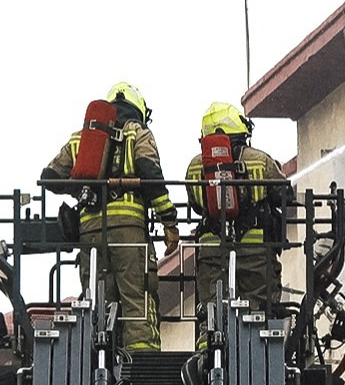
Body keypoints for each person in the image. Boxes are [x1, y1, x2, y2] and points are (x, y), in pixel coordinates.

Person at [43, 82, 177, 350]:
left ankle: (98, 357)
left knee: (97, 303)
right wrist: (169, 222)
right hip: (128, 230)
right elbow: (151, 177)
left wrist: (84, 190)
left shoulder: (82, 138)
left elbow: (50, 177)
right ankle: (142, 361)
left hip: (90, 232)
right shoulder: (138, 133)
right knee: (137, 300)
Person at [184, 100, 293, 332]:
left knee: (211, 313)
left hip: (212, 250)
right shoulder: (260, 160)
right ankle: (257, 345)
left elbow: (195, 205)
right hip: (256, 251)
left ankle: (207, 348)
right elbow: (284, 195)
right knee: (260, 309)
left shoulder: (194, 167)